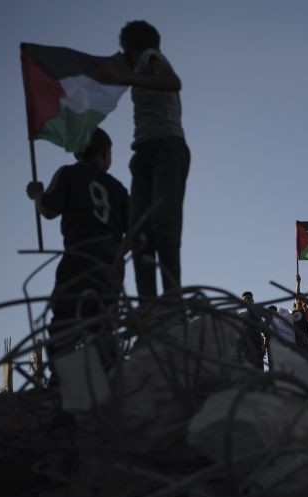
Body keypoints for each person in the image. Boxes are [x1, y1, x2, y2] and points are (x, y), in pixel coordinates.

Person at [26, 128, 129, 360]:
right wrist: (118, 254)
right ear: (105, 152)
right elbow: (135, 228)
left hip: (79, 257)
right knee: (104, 323)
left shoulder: (68, 174)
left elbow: (49, 209)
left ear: (77, 154)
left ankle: (61, 383)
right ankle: (110, 376)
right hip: (112, 263)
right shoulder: (118, 188)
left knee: (66, 320)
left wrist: (37, 195)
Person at [105, 21, 191, 300]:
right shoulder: (141, 64)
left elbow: (172, 82)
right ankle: (148, 307)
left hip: (166, 146)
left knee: (163, 225)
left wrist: (126, 79)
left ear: (130, 48)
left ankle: (171, 301)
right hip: (143, 151)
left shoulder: (149, 57)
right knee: (140, 231)